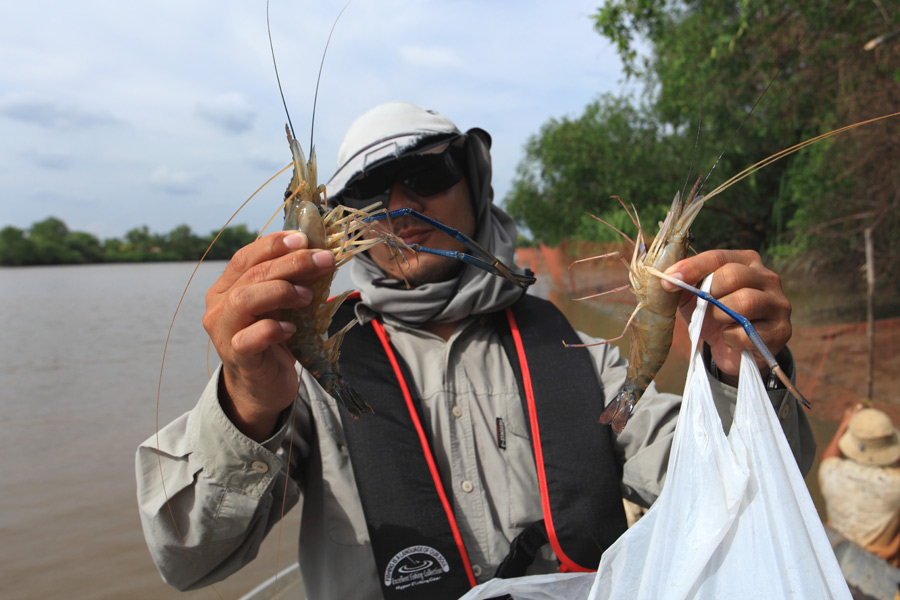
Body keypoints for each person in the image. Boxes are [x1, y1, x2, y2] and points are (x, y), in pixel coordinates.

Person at [136, 101, 815, 599]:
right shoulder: (299, 371)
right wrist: (249, 401)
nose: (399, 206)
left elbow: (741, 491)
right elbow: (188, 560)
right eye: (369, 191)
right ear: (341, 220)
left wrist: (743, 379)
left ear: (475, 180)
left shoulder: (576, 344)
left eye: (424, 174)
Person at [819, 404, 900, 567]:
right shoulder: (894, 485)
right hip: (880, 568)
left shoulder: (830, 473)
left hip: (833, 555)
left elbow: (828, 459)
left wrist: (845, 423)